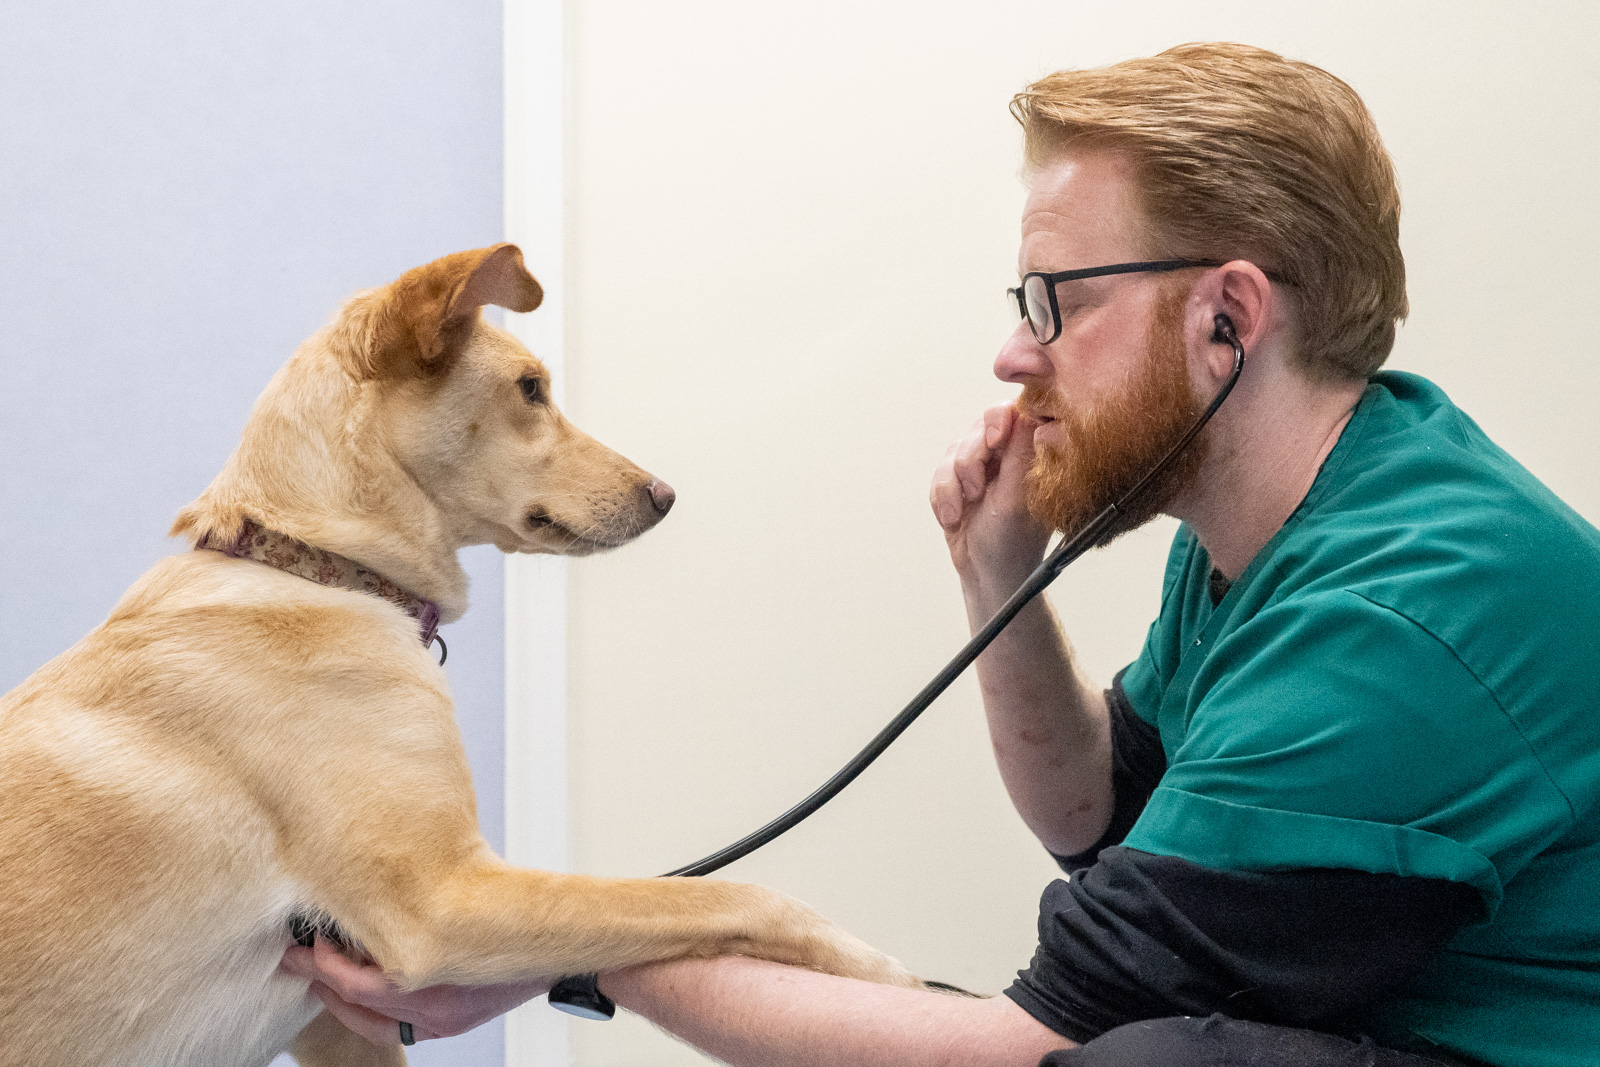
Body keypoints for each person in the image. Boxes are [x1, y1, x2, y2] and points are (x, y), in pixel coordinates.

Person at [283, 42, 1600, 1066]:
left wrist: (579, 950)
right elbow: (1104, 821)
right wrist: (996, 571)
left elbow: (1043, 1045)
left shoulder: (1397, 616)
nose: (1016, 356)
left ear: (1229, 318)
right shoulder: (1295, 524)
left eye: (1056, 302)